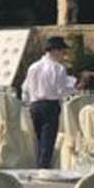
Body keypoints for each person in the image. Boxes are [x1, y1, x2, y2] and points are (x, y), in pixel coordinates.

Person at [21, 35, 76, 170]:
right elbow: (61, 91)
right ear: (54, 51)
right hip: (50, 106)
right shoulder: (58, 68)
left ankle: (40, 167)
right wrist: (74, 89)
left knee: (39, 141)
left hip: (35, 105)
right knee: (47, 142)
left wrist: (29, 103)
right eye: (62, 51)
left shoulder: (33, 67)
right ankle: (43, 169)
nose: (63, 55)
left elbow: (25, 88)